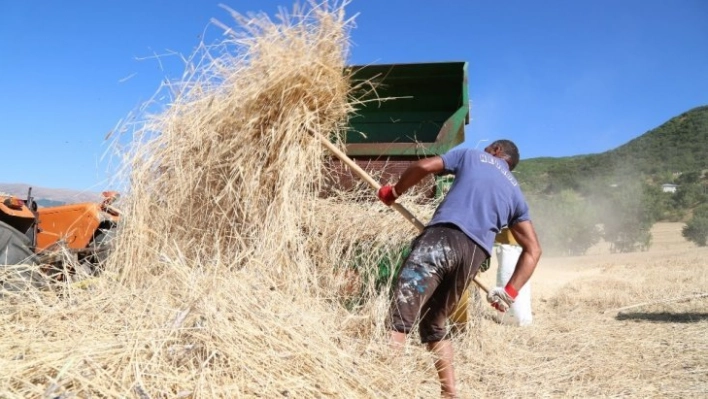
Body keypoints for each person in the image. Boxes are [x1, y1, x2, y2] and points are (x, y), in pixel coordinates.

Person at [377, 139, 542, 398]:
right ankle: (450, 393)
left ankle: (377, 387)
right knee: (434, 324)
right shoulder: (516, 194)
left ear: (497, 151)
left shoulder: (473, 156)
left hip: (442, 236)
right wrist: (510, 292)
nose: (486, 149)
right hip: (474, 256)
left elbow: (423, 166)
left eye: (490, 147)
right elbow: (534, 250)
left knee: (402, 313)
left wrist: (394, 192)